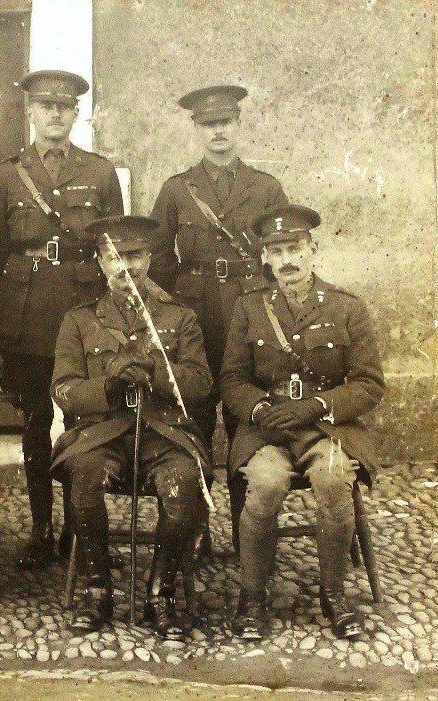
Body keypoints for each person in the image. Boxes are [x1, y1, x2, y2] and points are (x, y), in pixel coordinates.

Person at [220, 205, 385, 640]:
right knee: (267, 484)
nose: (287, 260)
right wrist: (258, 409)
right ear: (266, 259)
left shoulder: (347, 307)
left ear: (313, 250)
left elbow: (369, 384)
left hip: (325, 428)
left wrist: (316, 405)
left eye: (295, 248)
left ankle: (334, 594)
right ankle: (252, 598)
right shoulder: (249, 307)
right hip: (266, 428)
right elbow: (232, 379)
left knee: (333, 481)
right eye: (277, 251)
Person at [51, 215, 211, 638]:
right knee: (83, 476)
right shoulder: (79, 320)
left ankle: (161, 593)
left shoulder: (181, 317)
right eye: (115, 257)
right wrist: (108, 384)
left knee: (182, 485)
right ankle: (98, 590)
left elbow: (199, 385)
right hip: (102, 431)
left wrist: (156, 371)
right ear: (101, 263)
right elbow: (63, 389)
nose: (127, 267)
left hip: (164, 431)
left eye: (135, 256)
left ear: (151, 258)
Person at [0, 70, 124, 568]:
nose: (54, 114)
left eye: (63, 107)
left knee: (82, 420)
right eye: (44, 106)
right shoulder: (7, 173)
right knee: (33, 422)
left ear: (75, 114)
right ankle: (40, 531)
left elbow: (115, 249)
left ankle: (76, 525)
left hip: (80, 309)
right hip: (25, 314)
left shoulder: (99, 172)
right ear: (29, 111)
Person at [149, 85, 289, 453]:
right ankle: (194, 501)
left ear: (238, 123)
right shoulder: (178, 189)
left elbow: (281, 249)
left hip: (250, 304)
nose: (218, 131)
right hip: (196, 307)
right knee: (196, 402)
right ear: (196, 129)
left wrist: (265, 293)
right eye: (208, 124)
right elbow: (156, 251)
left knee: (246, 401)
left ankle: (244, 502)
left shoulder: (265, 188)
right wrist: (180, 291)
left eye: (225, 121)